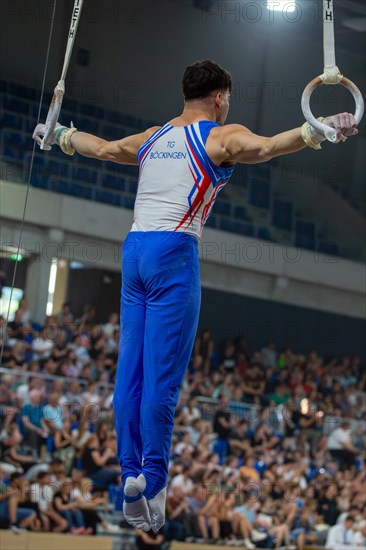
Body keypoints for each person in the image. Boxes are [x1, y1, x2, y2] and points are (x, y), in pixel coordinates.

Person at [33, 59, 359, 533]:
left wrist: (57, 134)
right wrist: (321, 128)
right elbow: (268, 147)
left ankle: (129, 476)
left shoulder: (152, 137)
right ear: (220, 98)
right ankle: (155, 482)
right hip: (173, 253)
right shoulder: (216, 137)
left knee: (131, 372)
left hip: (134, 252)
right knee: (162, 379)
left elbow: (100, 148)